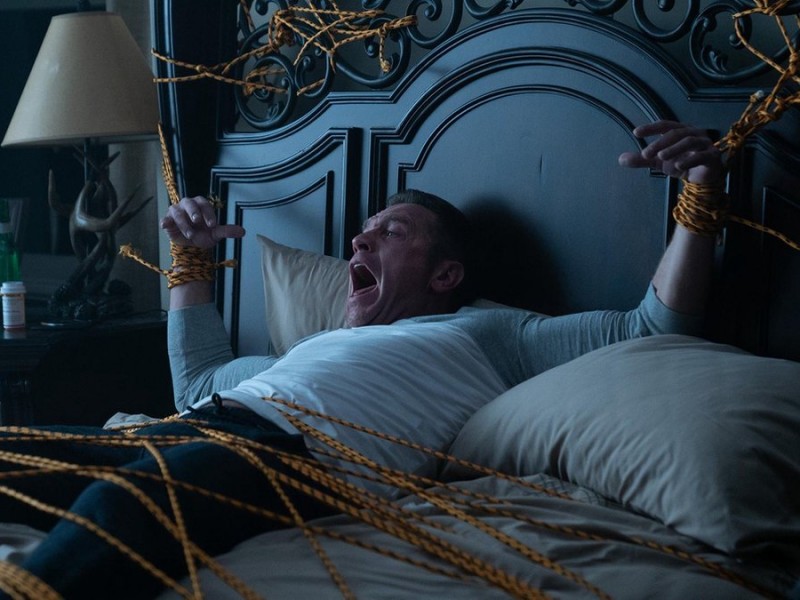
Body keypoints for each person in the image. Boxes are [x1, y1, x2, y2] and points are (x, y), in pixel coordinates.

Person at [0, 121, 724, 598]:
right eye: (363, 231)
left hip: (295, 455)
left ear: (445, 275)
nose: (359, 241)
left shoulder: (490, 333)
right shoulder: (310, 351)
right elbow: (196, 383)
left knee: (125, 504)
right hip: (201, 426)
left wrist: (700, 189)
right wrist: (189, 257)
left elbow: (653, 325)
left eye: (392, 232)